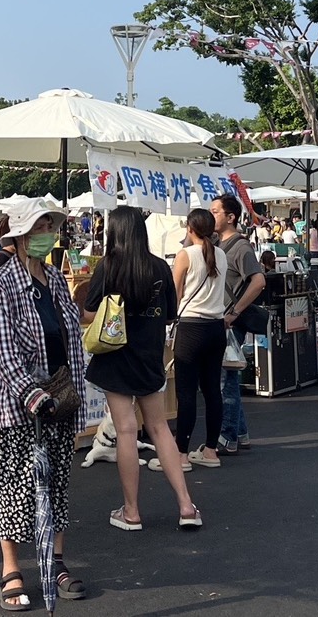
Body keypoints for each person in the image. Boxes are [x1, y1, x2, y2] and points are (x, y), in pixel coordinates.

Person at [0, 204, 88, 611]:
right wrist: (31, 394)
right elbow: (0, 347)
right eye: (39, 227)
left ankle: (55, 561)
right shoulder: (3, 281)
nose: (47, 233)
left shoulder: (56, 278)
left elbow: (71, 336)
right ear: (21, 236)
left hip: (61, 398)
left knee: (57, 482)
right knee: (17, 485)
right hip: (20, 404)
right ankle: (11, 568)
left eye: (49, 226)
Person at [82, 206, 197, 534]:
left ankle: (131, 511)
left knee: (126, 431)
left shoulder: (109, 266)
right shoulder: (159, 267)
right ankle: (187, 506)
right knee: (160, 429)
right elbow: (171, 313)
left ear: (114, 232)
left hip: (115, 357)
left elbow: (89, 313)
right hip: (150, 357)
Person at [168, 208, 229, 470]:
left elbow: (175, 294)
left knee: (186, 393)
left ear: (190, 229)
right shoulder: (221, 254)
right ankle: (211, 451)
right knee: (213, 390)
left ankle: (181, 455)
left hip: (191, 328)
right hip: (216, 327)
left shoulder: (185, 255)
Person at [212, 193, 263, 454]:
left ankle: (227, 436)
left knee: (226, 378)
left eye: (215, 212)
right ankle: (240, 433)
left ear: (230, 217)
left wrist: (234, 312)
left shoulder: (241, 247)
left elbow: (258, 281)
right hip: (221, 319)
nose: (210, 216)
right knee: (227, 375)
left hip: (230, 322)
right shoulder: (215, 242)